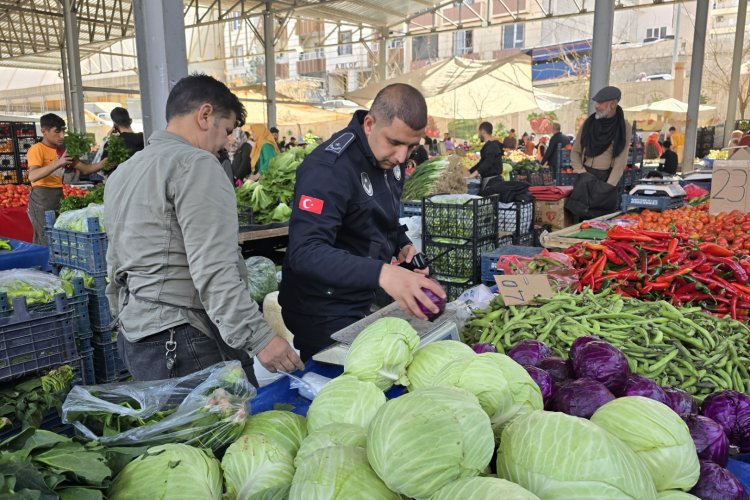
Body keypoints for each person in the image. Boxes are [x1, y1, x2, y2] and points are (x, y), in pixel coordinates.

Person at [103, 74, 303, 382]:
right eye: (226, 130)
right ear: (205, 114)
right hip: (184, 338)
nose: (226, 142)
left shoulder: (123, 172)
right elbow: (214, 266)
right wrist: (260, 337)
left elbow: (114, 263)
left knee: (178, 431)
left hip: (137, 335)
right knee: (225, 429)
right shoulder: (195, 164)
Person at [278, 83, 445, 361]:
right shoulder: (328, 169)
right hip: (323, 311)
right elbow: (305, 252)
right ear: (369, 123)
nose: (402, 157)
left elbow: (381, 217)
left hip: (362, 298)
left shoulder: (390, 161)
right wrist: (384, 273)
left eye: (411, 146)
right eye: (394, 142)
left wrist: (401, 245)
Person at [27, 113, 105, 245]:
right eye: (57, 132)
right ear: (44, 131)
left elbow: (86, 169)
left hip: (58, 196)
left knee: (58, 234)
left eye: (63, 131)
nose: (62, 136)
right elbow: (32, 176)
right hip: (41, 198)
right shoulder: (37, 149)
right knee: (46, 237)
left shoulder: (62, 151)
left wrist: (106, 162)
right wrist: (58, 162)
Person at [567, 86, 631, 220]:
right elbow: (575, 151)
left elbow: (621, 159)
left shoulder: (623, 126)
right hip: (585, 175)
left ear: (613, 104)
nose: (596, 106)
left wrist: (609, 185)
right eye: (596, 102)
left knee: (601, 222)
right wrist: (581, 171)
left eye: (600, 103)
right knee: (579, 219)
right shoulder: (588, 124)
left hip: (606, 178)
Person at [468, 122, 504, 191]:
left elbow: (487, 163)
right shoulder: (490, 145)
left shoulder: (492, 146)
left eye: (479, 132)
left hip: (493, 183)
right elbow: (482, 162)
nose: (478, 135)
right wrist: (470, 171)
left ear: (483, 132)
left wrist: (473, 175)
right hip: (490, 181)